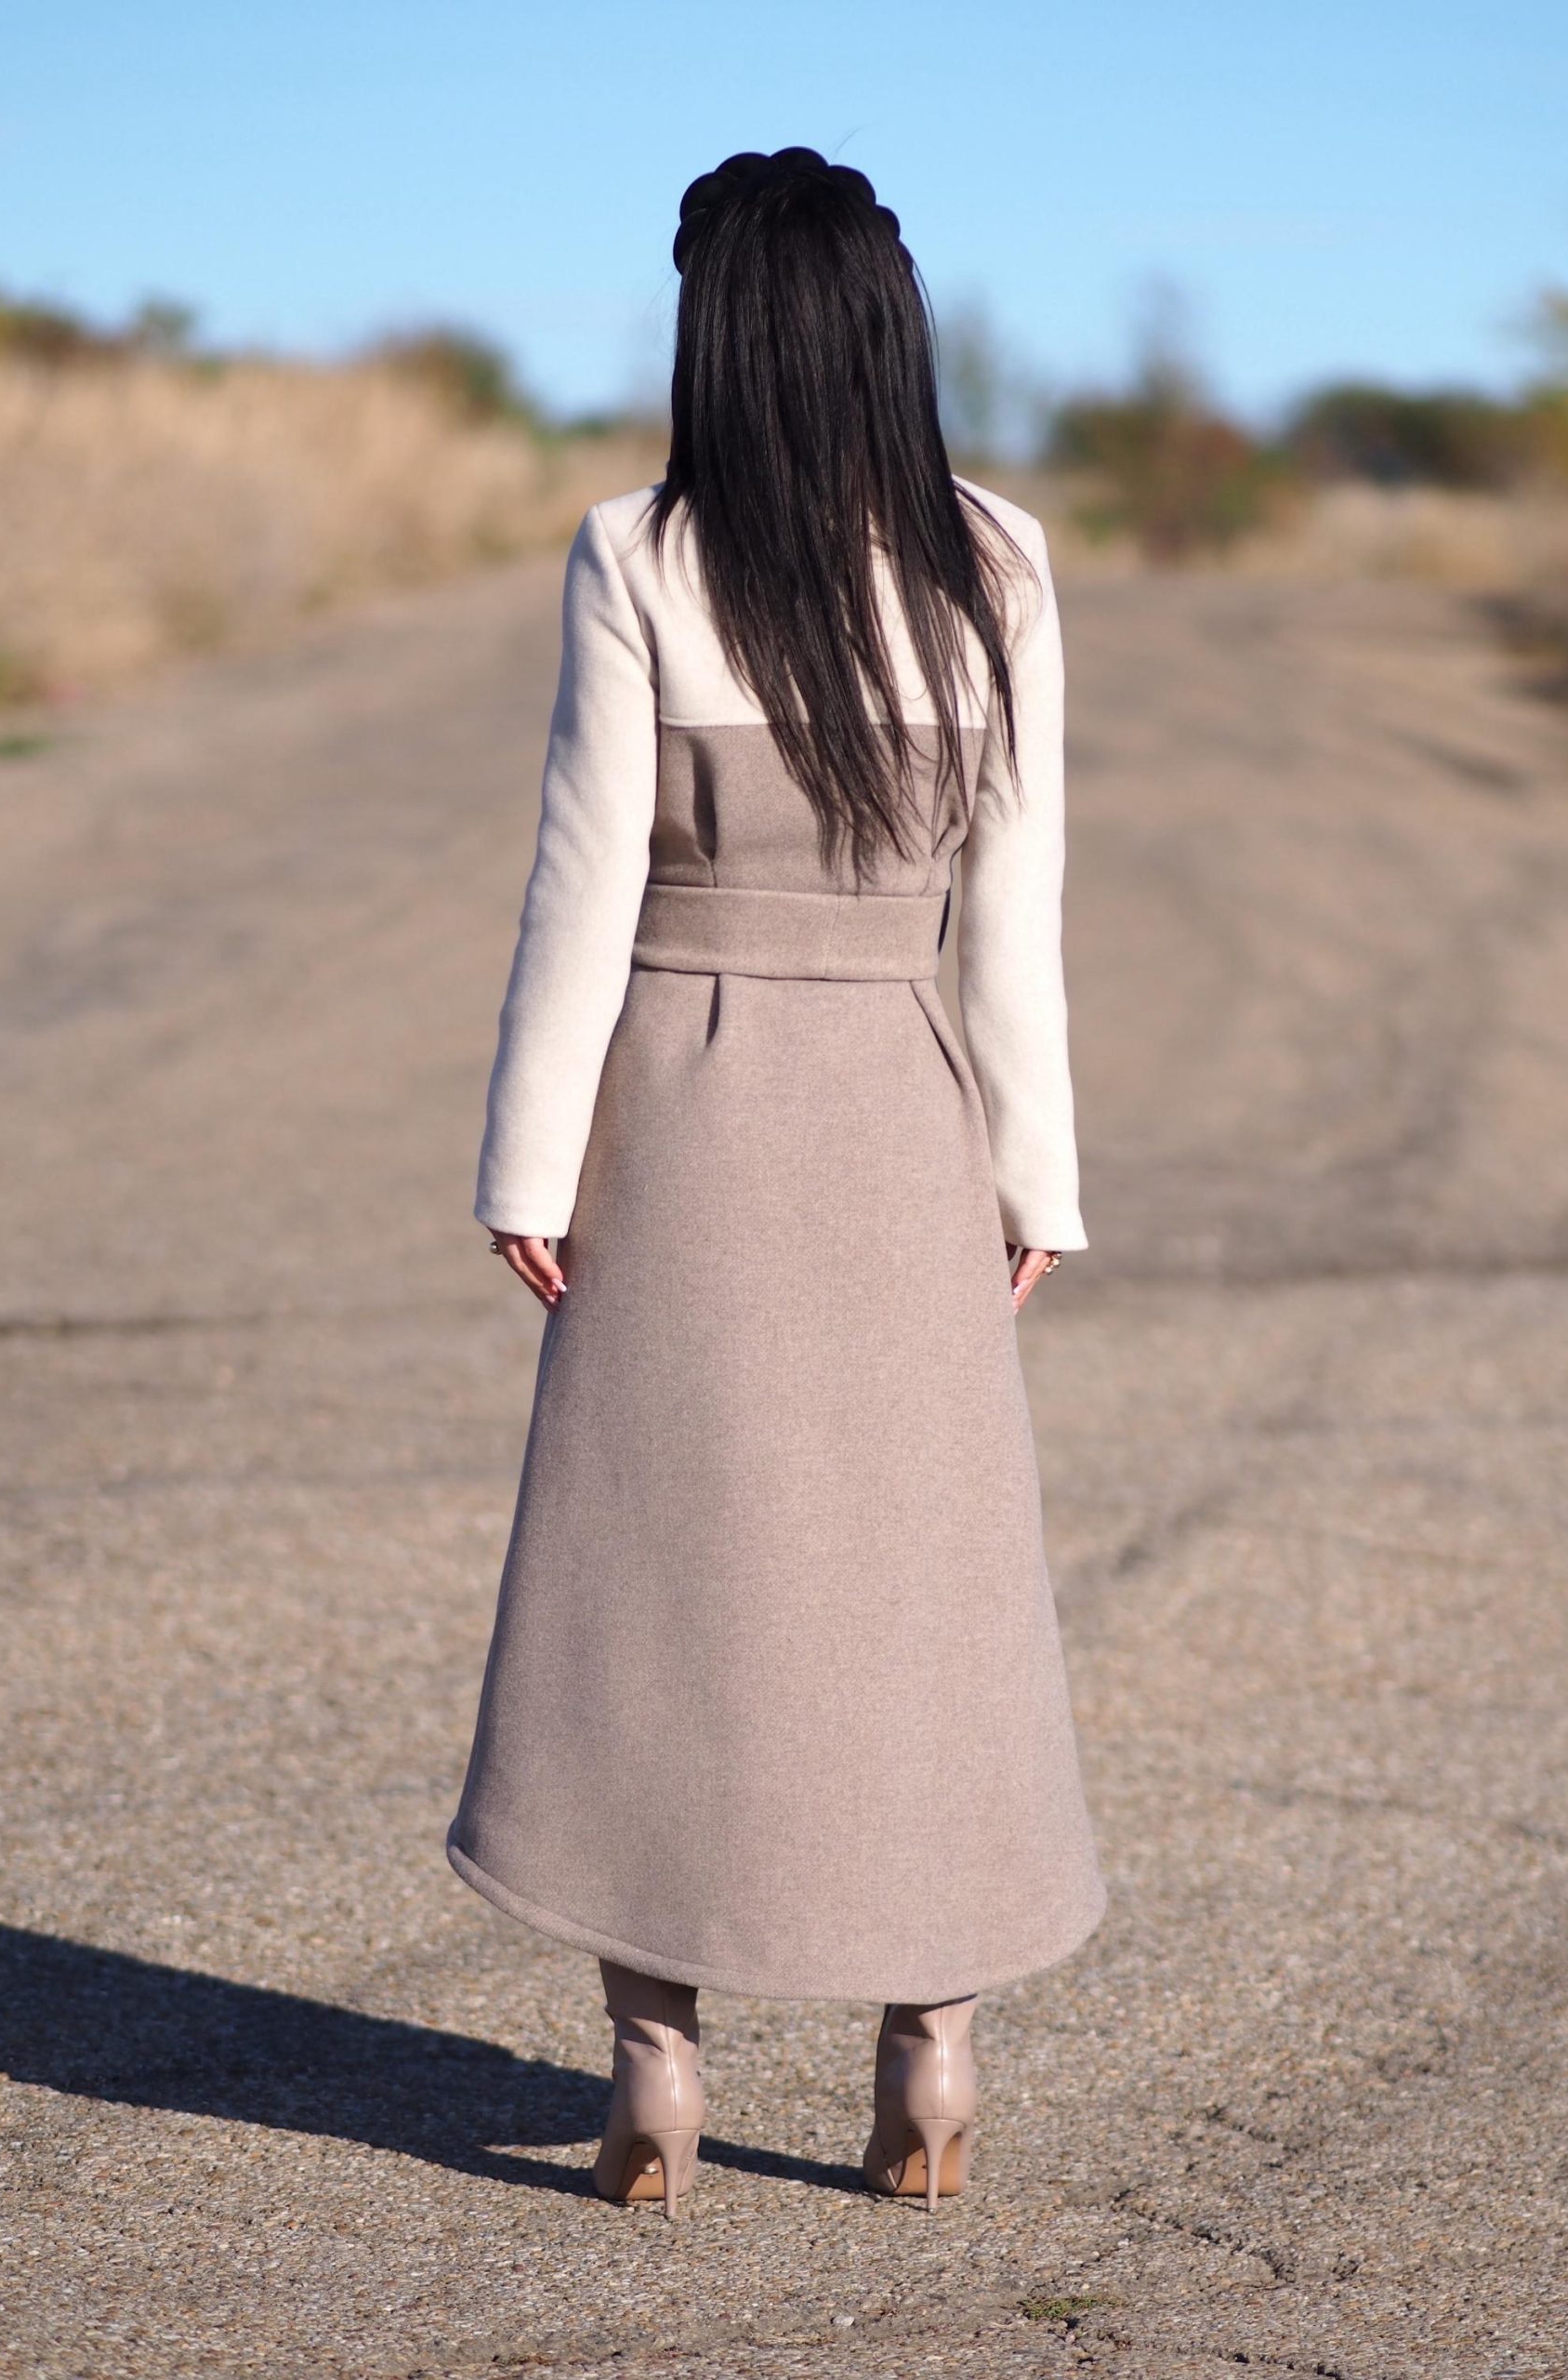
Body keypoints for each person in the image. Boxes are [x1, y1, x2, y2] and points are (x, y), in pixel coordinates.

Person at [447, 147, 1104, 2218]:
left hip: (686, 1109)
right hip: (903, 1110)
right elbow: (1016, 913)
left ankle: (657, 2062)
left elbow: (582, 885)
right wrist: (1034, 1177)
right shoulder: (998, 560)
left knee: (658, 1581)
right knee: (927, 1581)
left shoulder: (639, 552)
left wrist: (528, 1156)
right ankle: (934, 2045)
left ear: (716, 332)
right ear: (891, 328)